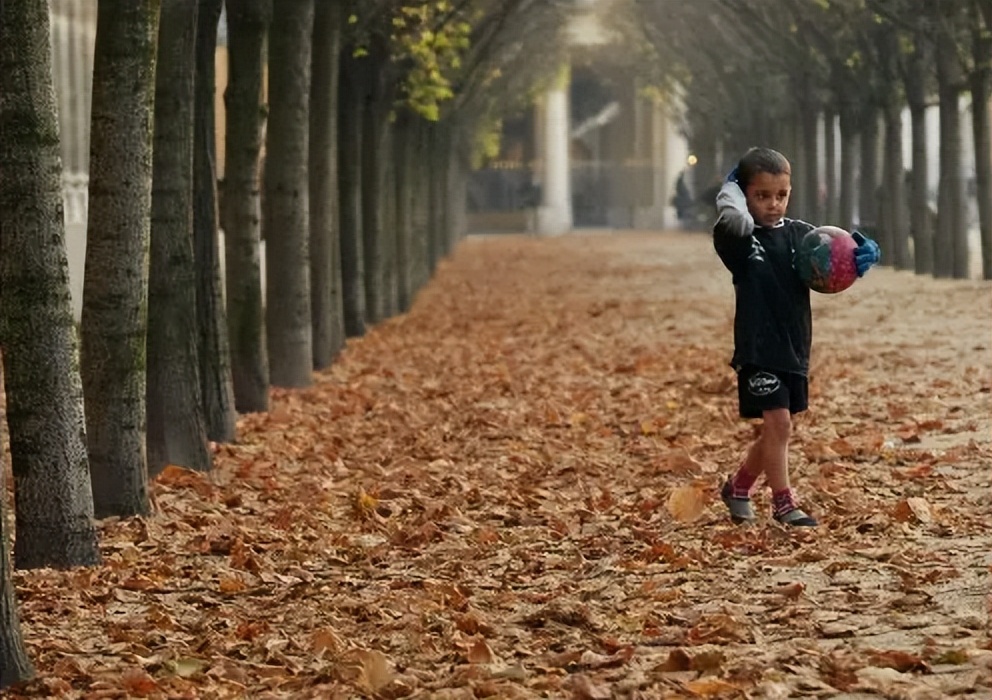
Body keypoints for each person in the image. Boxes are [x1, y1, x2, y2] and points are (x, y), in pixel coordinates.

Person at [712, 147, 880, 527]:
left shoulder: (803, 236)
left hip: (794, 347)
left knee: (776, 427)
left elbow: (832, 261)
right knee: (780, 424)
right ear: (744, 194)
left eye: (781, 195)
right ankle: (784, 504)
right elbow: (732, 218)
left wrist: (858, 258)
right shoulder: (738, 239)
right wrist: (731, 190)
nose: (773, 204)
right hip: (757, 349)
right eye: (761, 195)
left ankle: (739, 486)